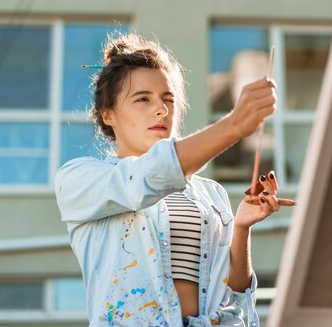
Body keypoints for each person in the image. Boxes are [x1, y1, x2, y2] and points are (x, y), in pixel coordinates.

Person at [54, 33, 283, 326]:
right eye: (142, 99)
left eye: (168, 99)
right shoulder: (80, 180)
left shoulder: (209, 194)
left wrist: (241, 228)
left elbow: (234, 298)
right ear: (108, 114)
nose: (161, 109)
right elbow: (148, 176)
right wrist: (234, 125)